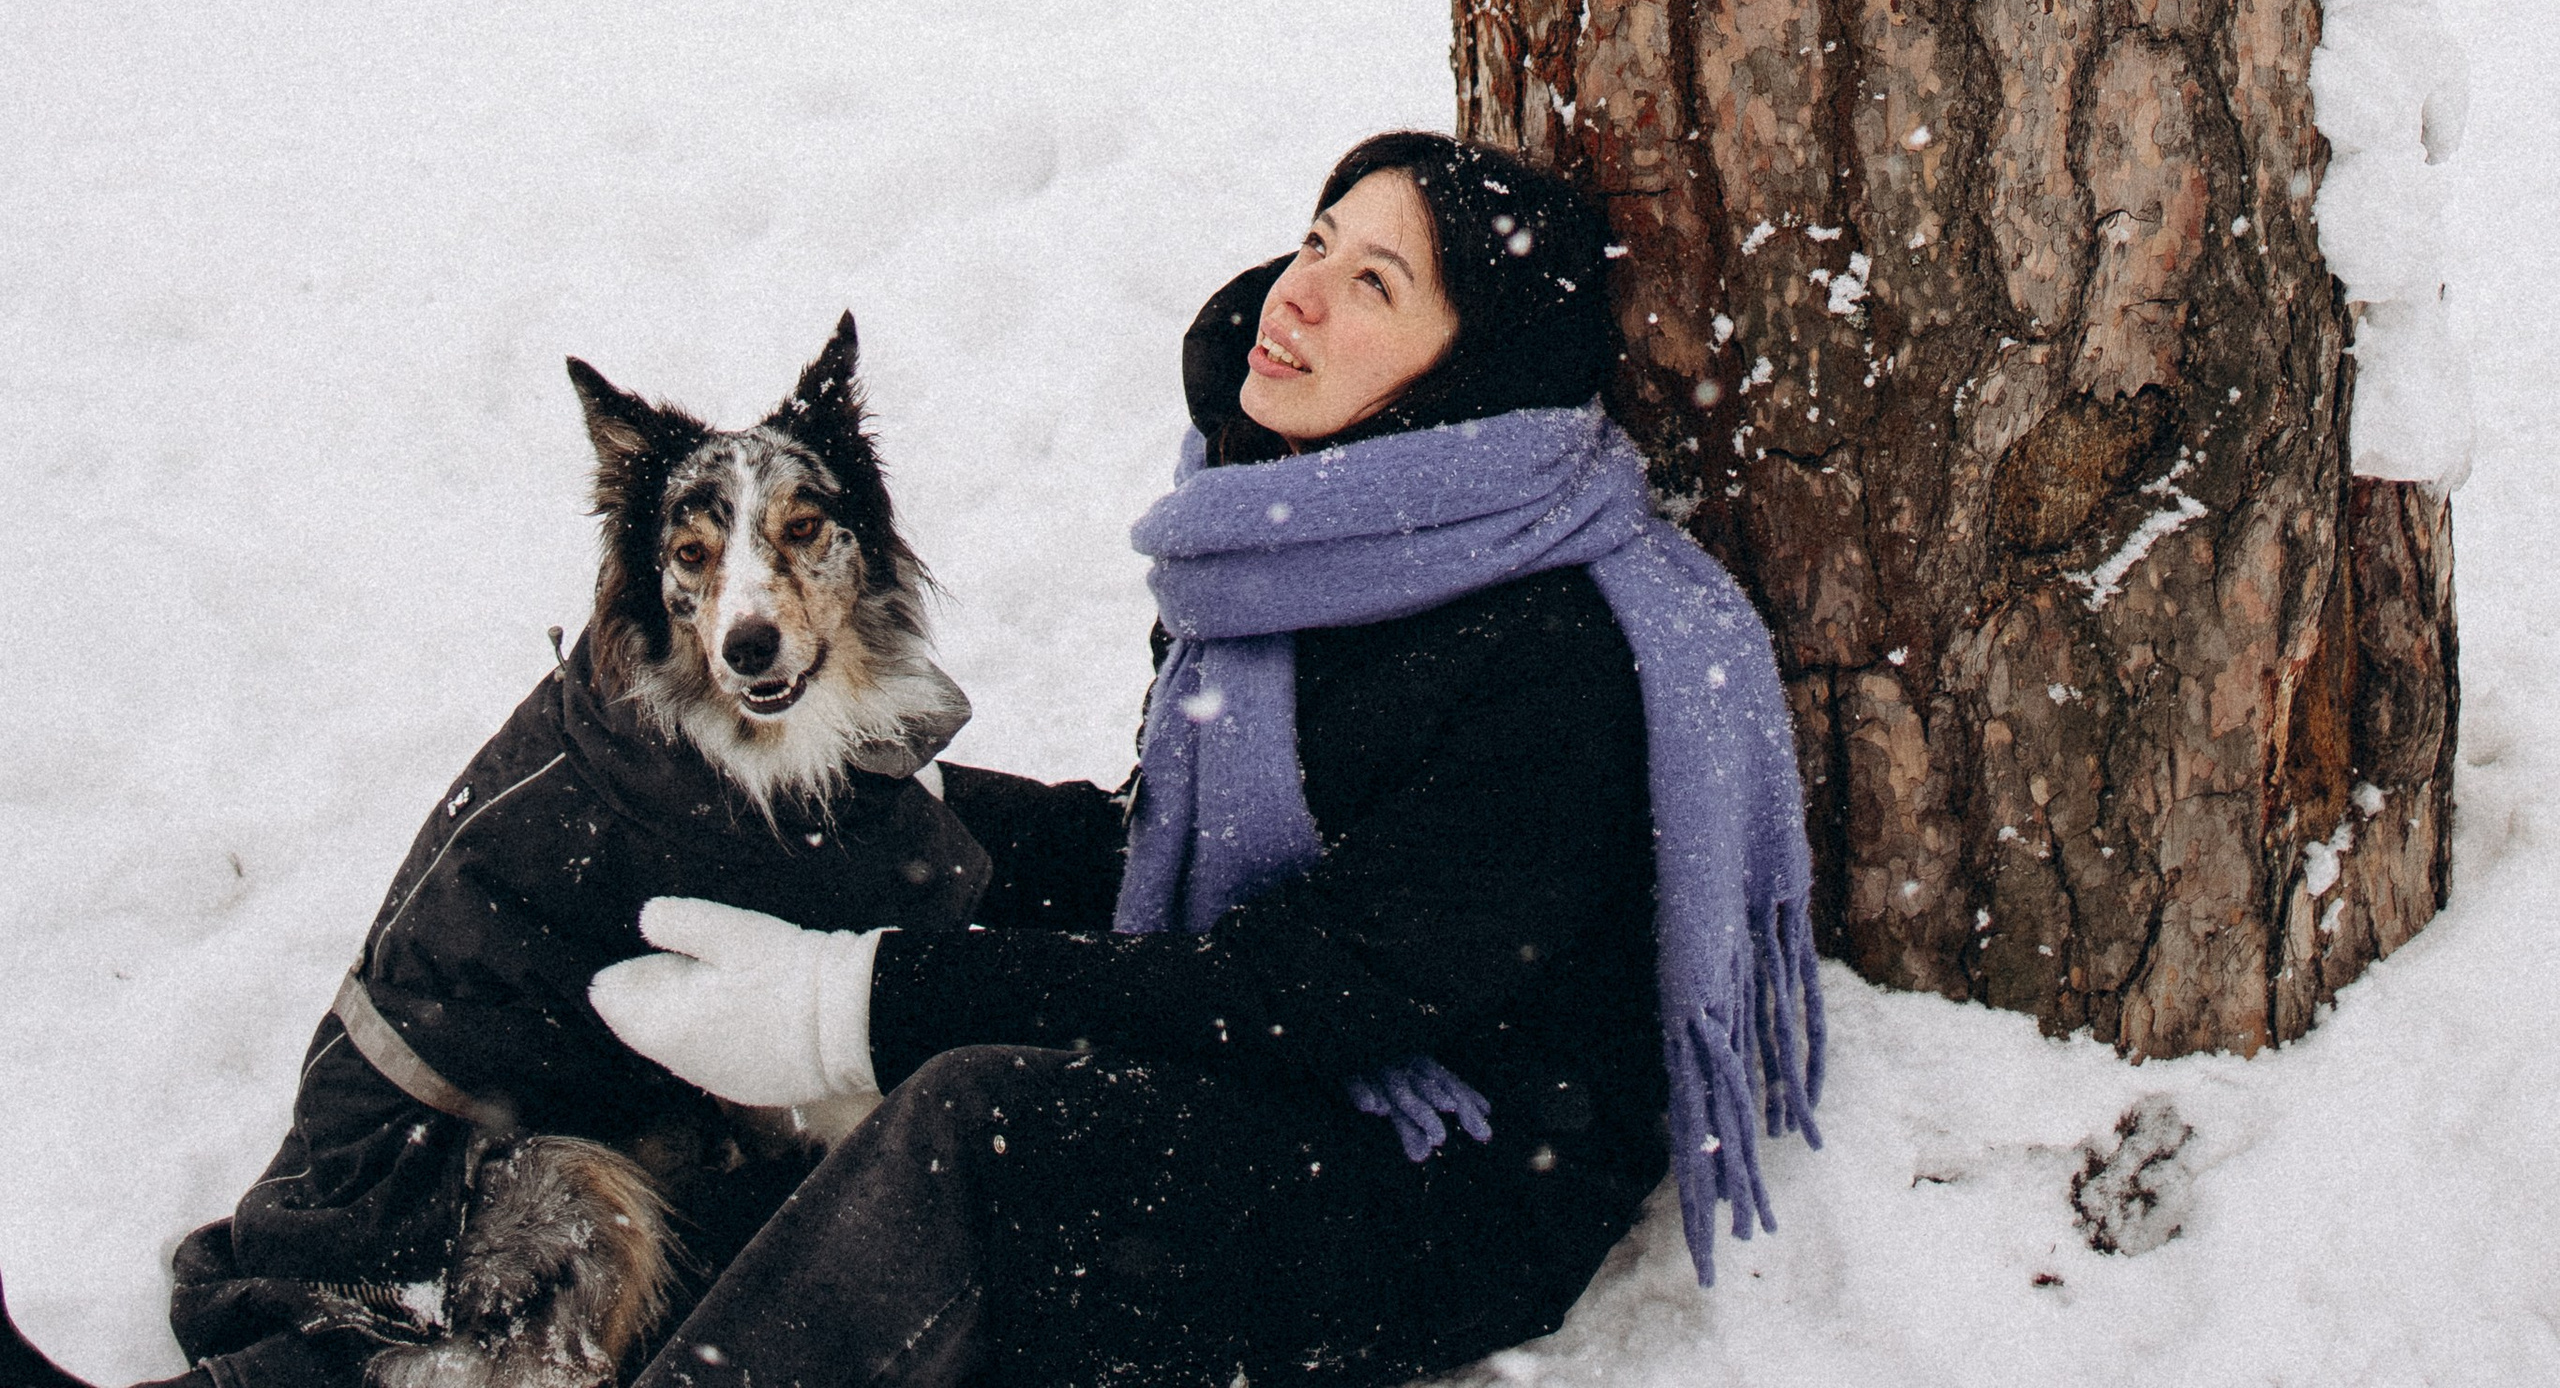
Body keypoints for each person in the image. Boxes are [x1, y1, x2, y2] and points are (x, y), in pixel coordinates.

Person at [0, 136, 1820, 1388]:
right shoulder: (1305, 536)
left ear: (1465, 372)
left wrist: (871, 995)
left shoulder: (1539, 656)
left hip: (1431, 1184)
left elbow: (1329, 984)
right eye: (1316, 242)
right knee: (819, 1052)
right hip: (1316, 1074)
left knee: (971, 1126)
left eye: (1374, 285)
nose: (1299, 295)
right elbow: (1183, 863)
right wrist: (878, 823)